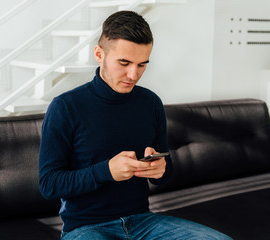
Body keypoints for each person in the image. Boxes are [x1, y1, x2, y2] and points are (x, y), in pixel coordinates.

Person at [39, 10, 231, 240]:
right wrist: (106, 171)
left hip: (143, 221)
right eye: (124, 63)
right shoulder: (65, 107)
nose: (133, 74)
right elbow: (49, 184)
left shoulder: (150, 103)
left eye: (142, 64)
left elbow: (165, 170)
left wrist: (160, 170)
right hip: (86, 228)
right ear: (99, 54)